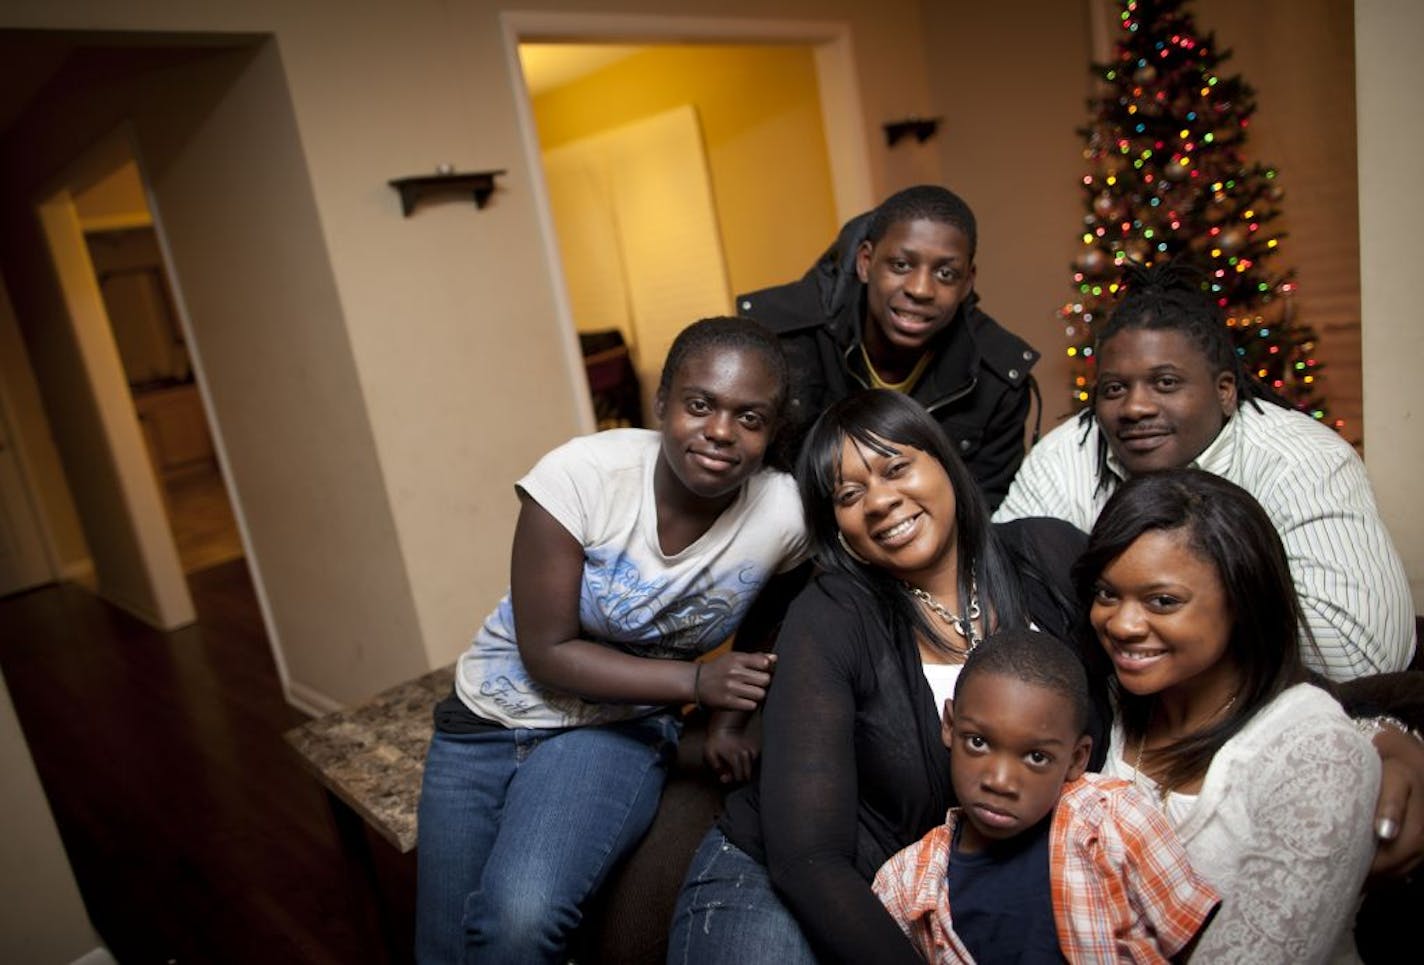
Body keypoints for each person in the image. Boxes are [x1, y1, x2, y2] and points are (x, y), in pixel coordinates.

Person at [414, 317, 810, 964]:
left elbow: (787, 612)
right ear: (662, 404)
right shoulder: (582, 475)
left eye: (750, 417)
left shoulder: (784, 514)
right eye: (700, 404)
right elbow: (547, 652)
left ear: (772, 432)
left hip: (613, 728)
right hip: (483, 719)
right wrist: (697, 684)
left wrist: (734, 717)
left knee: (517, 921)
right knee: (444, 949)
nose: (719, 431)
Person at [667, 390, 1093, 965]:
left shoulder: (1049, 553)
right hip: (780, 883)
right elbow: (807, 861)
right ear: (837, 525)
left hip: (955, 892)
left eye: (897, 468)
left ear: (942, 460)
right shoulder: (833, 614)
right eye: (849, 494)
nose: (881, 501)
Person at [994, 262, 1414, 681]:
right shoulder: (1069, 452)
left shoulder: (1300, 461)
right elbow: (992, 587)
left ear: (1225, 391)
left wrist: (1183, 622)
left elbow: (1357, 655)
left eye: (1166, 383)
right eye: (1114, 389)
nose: (1135, 407)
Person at [1078, 468, 1379, 961]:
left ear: (1242, 601)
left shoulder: (1315, 752)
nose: (1123, 624)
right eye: (1107, 594)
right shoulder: (1100, 705)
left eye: (1163, 601)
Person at [872, 629, 1219, 964]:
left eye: (1036, 757)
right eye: (978, 742)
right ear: (949, 725)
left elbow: (1206, 946)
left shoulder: (1113, 816)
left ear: (1077, 758)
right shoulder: (905, 883)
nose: (1000, 781)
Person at [737, 185, 1041, 512]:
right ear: (865, 263)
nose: (921, 289)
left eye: (945, 273)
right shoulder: (780, 337)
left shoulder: (998, 379)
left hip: (922, 551)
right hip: (798, 544)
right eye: (900, 265)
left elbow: (985, 512)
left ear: (967, 283)